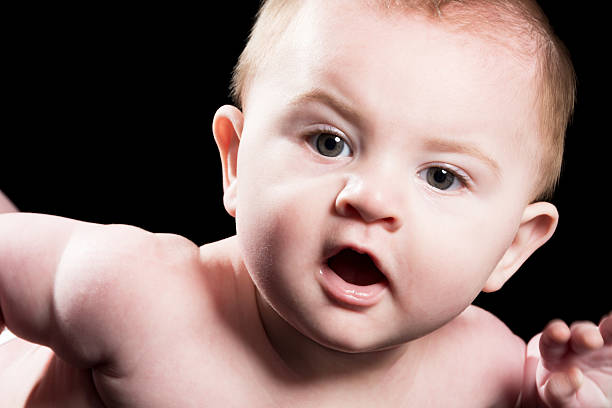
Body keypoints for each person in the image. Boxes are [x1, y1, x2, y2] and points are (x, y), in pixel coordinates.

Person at [1, 0, 610, 406]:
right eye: (330, 142)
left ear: (510, 247)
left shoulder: (491, 376)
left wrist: (565, 394)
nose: (370, 199)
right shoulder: (130, 294)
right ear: (236, 160)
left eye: (443, 177)